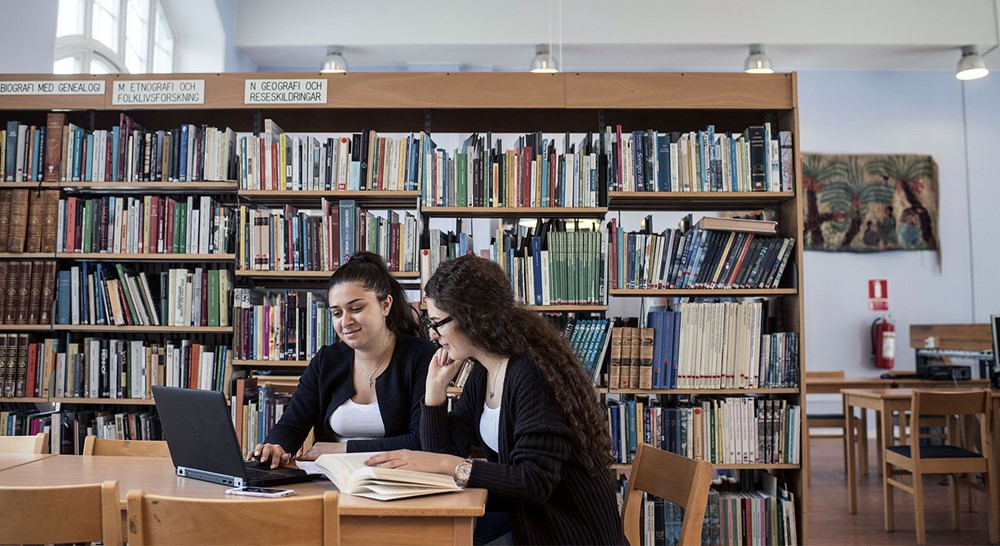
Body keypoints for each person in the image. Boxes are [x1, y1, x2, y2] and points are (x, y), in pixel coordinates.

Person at [366, 255, 626, 545]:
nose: (433, 334)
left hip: (567, 531)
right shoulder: (484, 372)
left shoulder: (530, 374)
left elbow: (534, 482)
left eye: (437, 323)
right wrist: (434, 393)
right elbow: (445, 450)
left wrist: (448, 465)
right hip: (528, 519)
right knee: (426, 534)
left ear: (471, 319)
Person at [251, 251, 436, 468]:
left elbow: (421, 441)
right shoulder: (326, 360)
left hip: (395, 479)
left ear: (386, 305)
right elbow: (292, 424)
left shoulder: (420, 355)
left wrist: (344, 448)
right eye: (337, 313)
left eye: (356, 309)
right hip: (331, 477)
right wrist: (274, 447)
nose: (345, 322)